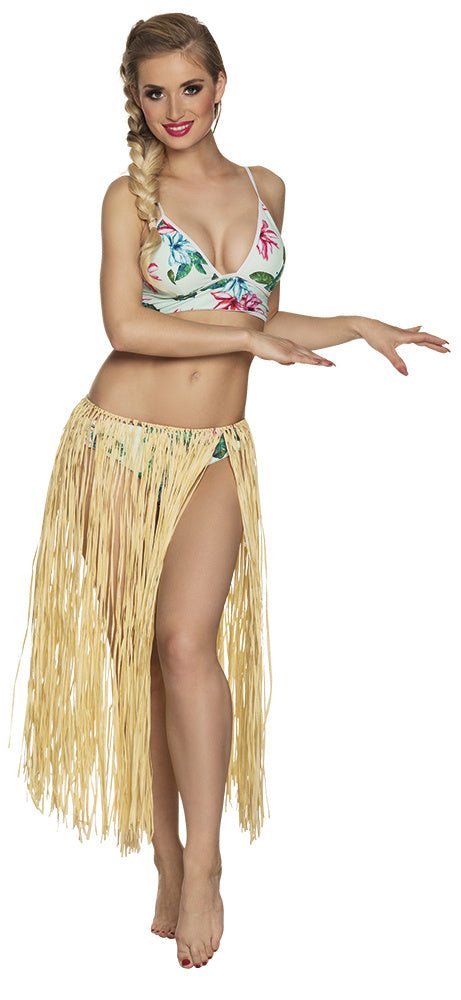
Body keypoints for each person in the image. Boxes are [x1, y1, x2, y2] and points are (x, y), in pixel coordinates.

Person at [9, 11, 449, 972]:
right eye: (153, 91)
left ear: (219, 85)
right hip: (116, 444)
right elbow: (127, 326)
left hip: (212, 449)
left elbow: (258, 314)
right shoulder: (127, 197)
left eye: (190, 86)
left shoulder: (266, 188)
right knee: (143, 663)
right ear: (135, 99)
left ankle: (205, 864)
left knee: (187, 646)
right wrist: (247, 336)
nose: (174, 107)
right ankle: (164, 862)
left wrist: (355, 323)